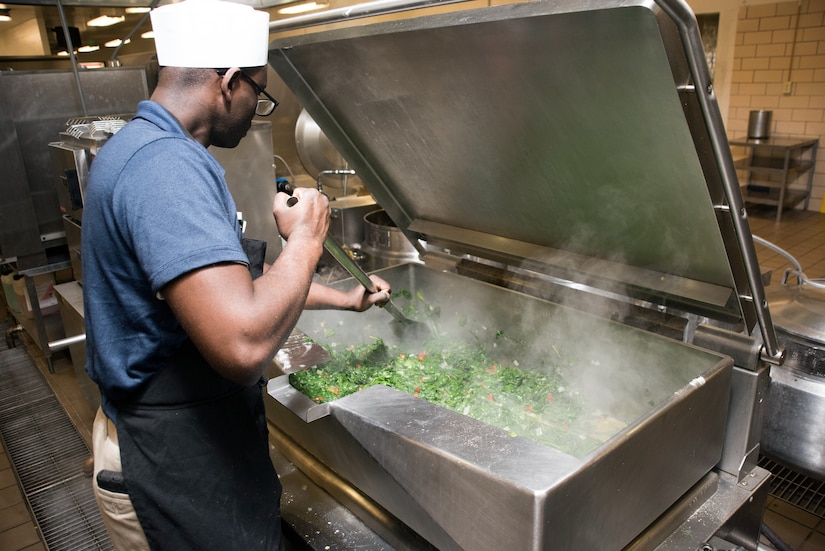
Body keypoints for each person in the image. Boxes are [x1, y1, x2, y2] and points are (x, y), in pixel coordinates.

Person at [81, 0, 391, 549]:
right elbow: (242, 343)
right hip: (171, 460)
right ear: (228, 82)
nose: (257, 111)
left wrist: (346, 299)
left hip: (179, 441)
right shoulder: (164, 169)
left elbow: (233, 282)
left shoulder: (151, 148)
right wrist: (308, 238)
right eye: (260, 94)